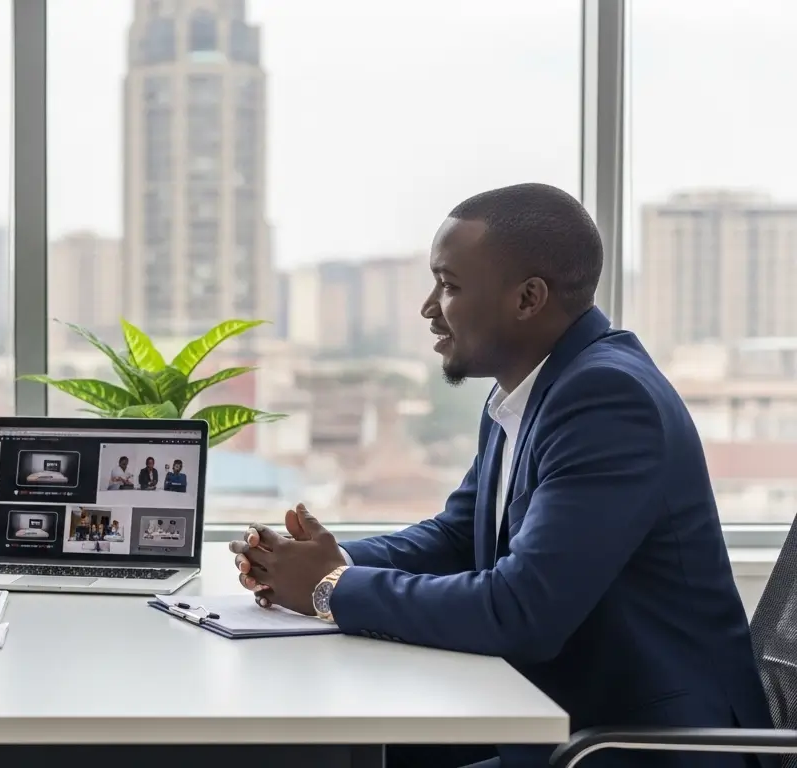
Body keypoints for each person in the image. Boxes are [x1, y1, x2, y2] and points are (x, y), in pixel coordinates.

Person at [230, 183, 773, 768]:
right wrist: (317, 563)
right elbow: (459, 537)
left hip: (644, 746)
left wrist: (329, 587)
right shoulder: (528, 388)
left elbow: (522, 611)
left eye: (450, 285)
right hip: (569, 722)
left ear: (528, 298)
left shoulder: (607, 399)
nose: (429, 307)